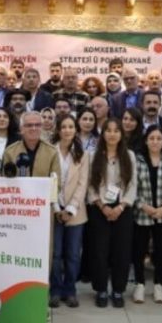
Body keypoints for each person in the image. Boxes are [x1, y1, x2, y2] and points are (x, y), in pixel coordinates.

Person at [86, 118, 137, 308]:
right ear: (103, 133)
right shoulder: (93, 155)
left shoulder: (129, 155)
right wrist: (102, 206)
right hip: (100, 208)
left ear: (121, 134)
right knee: (99, 251)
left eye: (116, 131)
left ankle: (118, 290)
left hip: (122, 208)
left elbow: (133, 185)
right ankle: (101, 289)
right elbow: (90, 185)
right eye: (108, 130)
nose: (112, 134)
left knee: (121, 252)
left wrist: (120, 207)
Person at [49, 115, 89, 309]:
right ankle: (55, 290)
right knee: (55, 254)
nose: (67, 130)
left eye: (70, 127)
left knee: (73, 254)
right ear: (58, 129)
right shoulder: (50, 151)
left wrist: (70, 209)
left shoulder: (83, 154)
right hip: (54, 211)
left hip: (76, 213)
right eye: (63, 127)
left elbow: (83, 184)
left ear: (75, 130)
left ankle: (70, 290)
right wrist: (57, 208)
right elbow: (49, 182)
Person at [132, 126, 162, 305]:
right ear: (146, 140)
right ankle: (140, 284)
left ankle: (159, 285)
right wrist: (143, 206)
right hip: (142, 213)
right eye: (152, 138)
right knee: (139, 250)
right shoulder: (137, 160)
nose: (155, 142)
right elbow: (132, 186)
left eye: (159, 138)